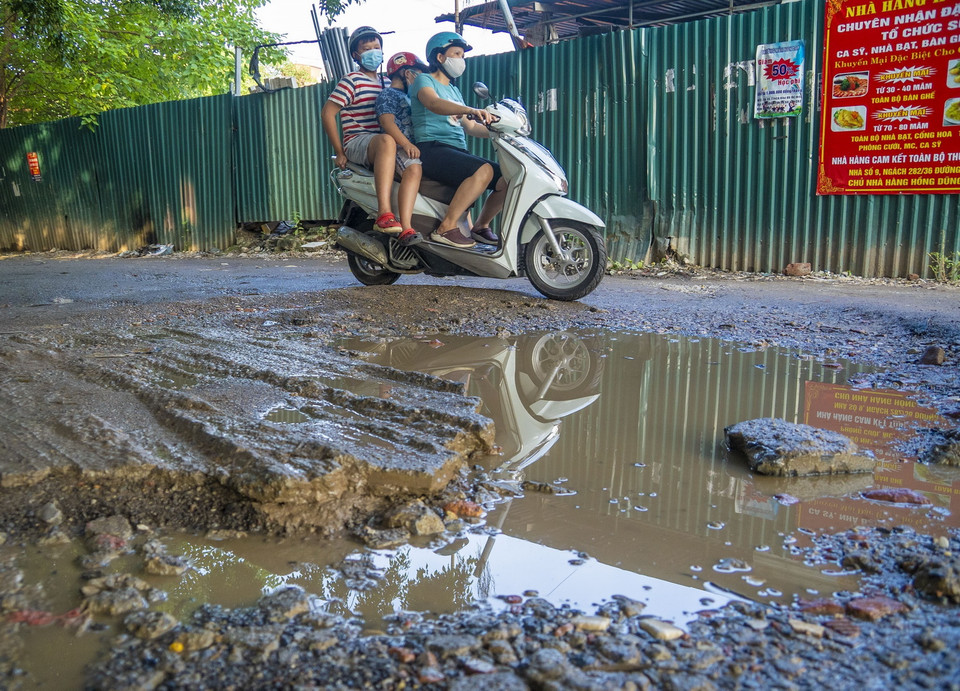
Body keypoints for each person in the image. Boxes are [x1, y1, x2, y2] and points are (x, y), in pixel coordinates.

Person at [409, 31, 506, 249]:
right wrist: (471, 109)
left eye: (462, 55)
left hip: (456, 150)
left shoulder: (453, 90)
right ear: (440, 57)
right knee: (483, 170)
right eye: (456, 54)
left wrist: (498, 131)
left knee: (508, 179)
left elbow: (470, 126)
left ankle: (480, 226)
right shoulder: (423, 80)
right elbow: (433, 103)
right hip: (432, 147)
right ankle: (446, 228)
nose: (460, 60)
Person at [320, 26, 402, 234]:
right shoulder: (352, 80)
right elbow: (328, 113)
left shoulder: (388, 83)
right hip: (359, 141)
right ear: (356, 55)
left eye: (376, 47)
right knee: (386, 141)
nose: (373, 52)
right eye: (367, 49)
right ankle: (384, 213)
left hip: (384, 144)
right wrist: (340, 151)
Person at [376, 52, 430, 246]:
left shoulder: (412, 97)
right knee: (413, 169)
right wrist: (406, 144)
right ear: (405, 73)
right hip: (399, 147)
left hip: (416, 146)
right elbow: (387, 122)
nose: (419, 77)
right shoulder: (388, 94)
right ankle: (406, 228)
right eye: (416, 72)